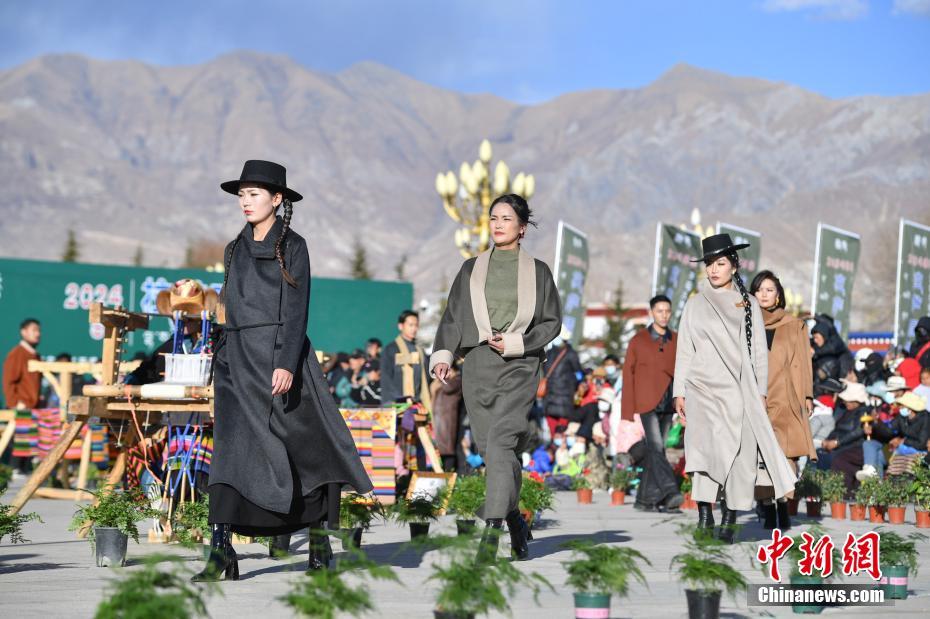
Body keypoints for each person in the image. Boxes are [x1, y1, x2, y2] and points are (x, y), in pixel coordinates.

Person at [195, 160, 372, 581]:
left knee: (304, 451)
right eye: (242, 194)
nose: (245, 201)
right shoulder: (233, 249)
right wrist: (220, 359)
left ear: (277, 199)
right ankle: (221, 552)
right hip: (237, 364)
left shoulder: (294, 246)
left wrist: (286, 363)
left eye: (254, 194)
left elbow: (297, 310)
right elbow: (230, 308)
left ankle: (318, 545)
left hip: (280, 361)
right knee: (230, 453)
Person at [430, 193, 561, 562]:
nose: (498, 224)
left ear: (522, 228)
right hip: (478, 366)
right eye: (493, 218)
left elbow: (552, 322)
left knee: (503, 440)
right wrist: (443, 355)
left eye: (506, 218)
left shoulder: (539, 272)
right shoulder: (470, 269)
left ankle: (491, 532)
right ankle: (515, 518)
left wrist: (518, 342)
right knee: (492, 450)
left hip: (520, 363)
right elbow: (452, 317)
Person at [673, 234, 795, 543]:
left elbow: (759, 353)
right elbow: (684, 350)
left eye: (720, 263)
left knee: (740, 458)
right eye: (709, 264)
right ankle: (705, 516)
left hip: (739, 391)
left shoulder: (749, 303)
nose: (713, 270)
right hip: (701, 388)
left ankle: (730, 518)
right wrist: (679, 391)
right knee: (702, 454)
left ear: (734, 266)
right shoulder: (695, 304)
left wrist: (761, 392)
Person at [749, 270, 816, 530]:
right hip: (755, 398)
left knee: (787, 455)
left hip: (785, 396)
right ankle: (766, 506)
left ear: (778, 295)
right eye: (759, 290)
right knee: (758, 457)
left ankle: (784, 507)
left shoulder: (794, 325)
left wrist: (807, 395)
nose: (763, 294)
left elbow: (803, 362)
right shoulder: (745, 323)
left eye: (769, 290)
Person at [621, 294, 681, 511]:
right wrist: (627, 411)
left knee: (657, 449)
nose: (664, 315)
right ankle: (670, 491)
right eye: (659, 311)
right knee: (656, 446)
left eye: (667, 311)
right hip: (647, 402)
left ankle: (644, 500)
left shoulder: (677, 339)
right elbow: (628, 374)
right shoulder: (638, 340)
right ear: (651, 313)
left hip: (668, 402)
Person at [2, 318, 42, 474]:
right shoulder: (17, 353)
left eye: (39, 330)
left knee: (30, 446)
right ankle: (13, 472)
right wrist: (14, 404)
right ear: (23, 332)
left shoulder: (35, 355)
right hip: (21, 408)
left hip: (33, 408)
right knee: (18, 445)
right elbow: (8, 381)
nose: (38, 334)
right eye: (34, 330)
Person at [821, 382, 873, 494]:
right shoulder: (845, 411)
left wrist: (837, 442)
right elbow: (837, 428)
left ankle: (841, 493)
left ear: (856, 401)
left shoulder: (864, 412)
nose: (845, 402)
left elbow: (858, 432)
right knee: (820, 455)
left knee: (839, 459)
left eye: (848, 400)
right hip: (842, 444)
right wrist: (827, 440)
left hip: (856, 446)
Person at [380, 310, 431, 408]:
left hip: (418, 404)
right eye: (410, 325)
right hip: (397, 404)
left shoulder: (420, 351)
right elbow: (386, 380)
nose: (414, 329)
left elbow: (426, 378)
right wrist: (397, 401)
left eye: (416, 325)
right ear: (400, 326)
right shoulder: (391, 350)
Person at [541, 327, 583, 437]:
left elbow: (544, 370)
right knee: (562, 430)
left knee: (552, 429)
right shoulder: (571, 354)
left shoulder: (548, 353)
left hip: (549, 396)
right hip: (565, 397)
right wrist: (577, 383)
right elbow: (579, 373)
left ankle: (553, 443)